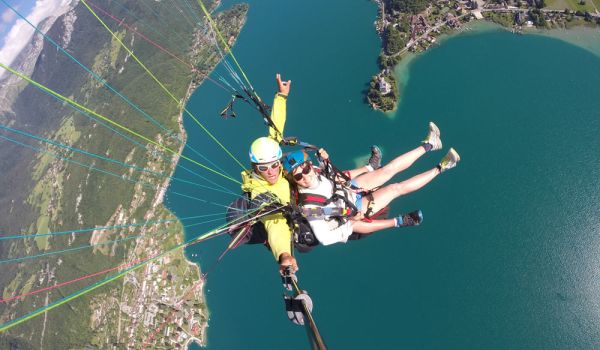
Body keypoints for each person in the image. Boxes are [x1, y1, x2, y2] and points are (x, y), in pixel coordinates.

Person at [282, 122, 460, 246]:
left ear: (309, 166)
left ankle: (430, 144)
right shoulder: (309, 206)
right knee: (395, 188)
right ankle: (442, 167)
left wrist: (326, 162)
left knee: (387, 170)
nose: (305, 177)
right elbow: (325, 239)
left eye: (305, 170)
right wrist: (350, 223)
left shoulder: (316, 171)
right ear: (294, 180)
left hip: (348, 191)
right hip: (351, 211)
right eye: (298, 177)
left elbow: (336, 178)